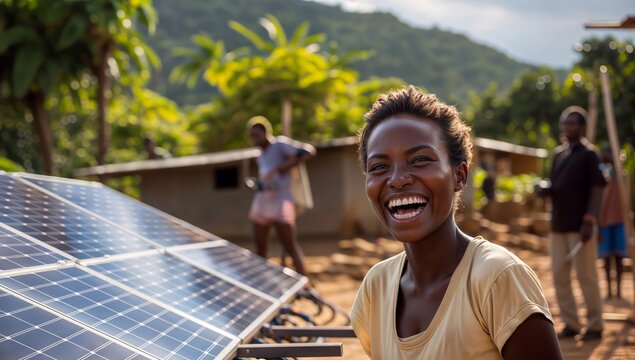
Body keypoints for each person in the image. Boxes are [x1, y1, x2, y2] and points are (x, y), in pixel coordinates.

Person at [351, 86, 562, 359]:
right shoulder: (376, 287)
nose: (398, 179)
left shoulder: (496, 278)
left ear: (459, 175)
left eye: (420, 160)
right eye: (379, 166)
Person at [537, 106, 606, 341]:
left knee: (586, 276)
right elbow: (556, 186)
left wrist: (590, 219)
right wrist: (545, 190)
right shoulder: (559, 154)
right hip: (559, 225)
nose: (568, 126)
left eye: (573, 123)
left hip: (581, 227)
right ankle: (571, 323)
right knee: (559, 275)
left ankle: (595, 325)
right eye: (565, 122)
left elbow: (598, 187)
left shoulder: (589, 154)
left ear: (582, 127)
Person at [247, 116, 315, 275]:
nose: (254, 139)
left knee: (290, 245)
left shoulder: (279, 145)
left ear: (265, 133)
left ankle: (305, 283)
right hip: (263, 201)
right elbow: (268, 178)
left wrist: (283, 167)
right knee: (260, 249)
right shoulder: (260, 155)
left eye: (257, 134)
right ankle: (261, 283)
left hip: (281, 201)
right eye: (252, 136)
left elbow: (307, 151)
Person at [598, 145, 628, 299]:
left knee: (619, 257)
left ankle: (619, 291)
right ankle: (609, 290)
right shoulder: (600, 171)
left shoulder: (621, 172)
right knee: (606, 258)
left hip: (620, 220)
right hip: (604, 221)